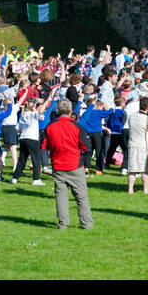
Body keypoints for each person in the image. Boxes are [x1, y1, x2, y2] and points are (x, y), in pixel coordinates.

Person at [42, 98, 94, 230]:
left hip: (58, 165)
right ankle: (87, 223)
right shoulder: (77, 127)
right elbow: (87, 147)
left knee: (61, 196)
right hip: (74, 165)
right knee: (81, 196)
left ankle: (63, 224)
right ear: (71, 111)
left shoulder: (50, 126)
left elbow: (43, 145)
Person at [125, 97, 148, 195]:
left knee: (132, 169)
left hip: (132, 144)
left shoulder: (132, 117)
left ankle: (130, 189)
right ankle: (145, 189)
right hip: (144, 146)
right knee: (144, 169)